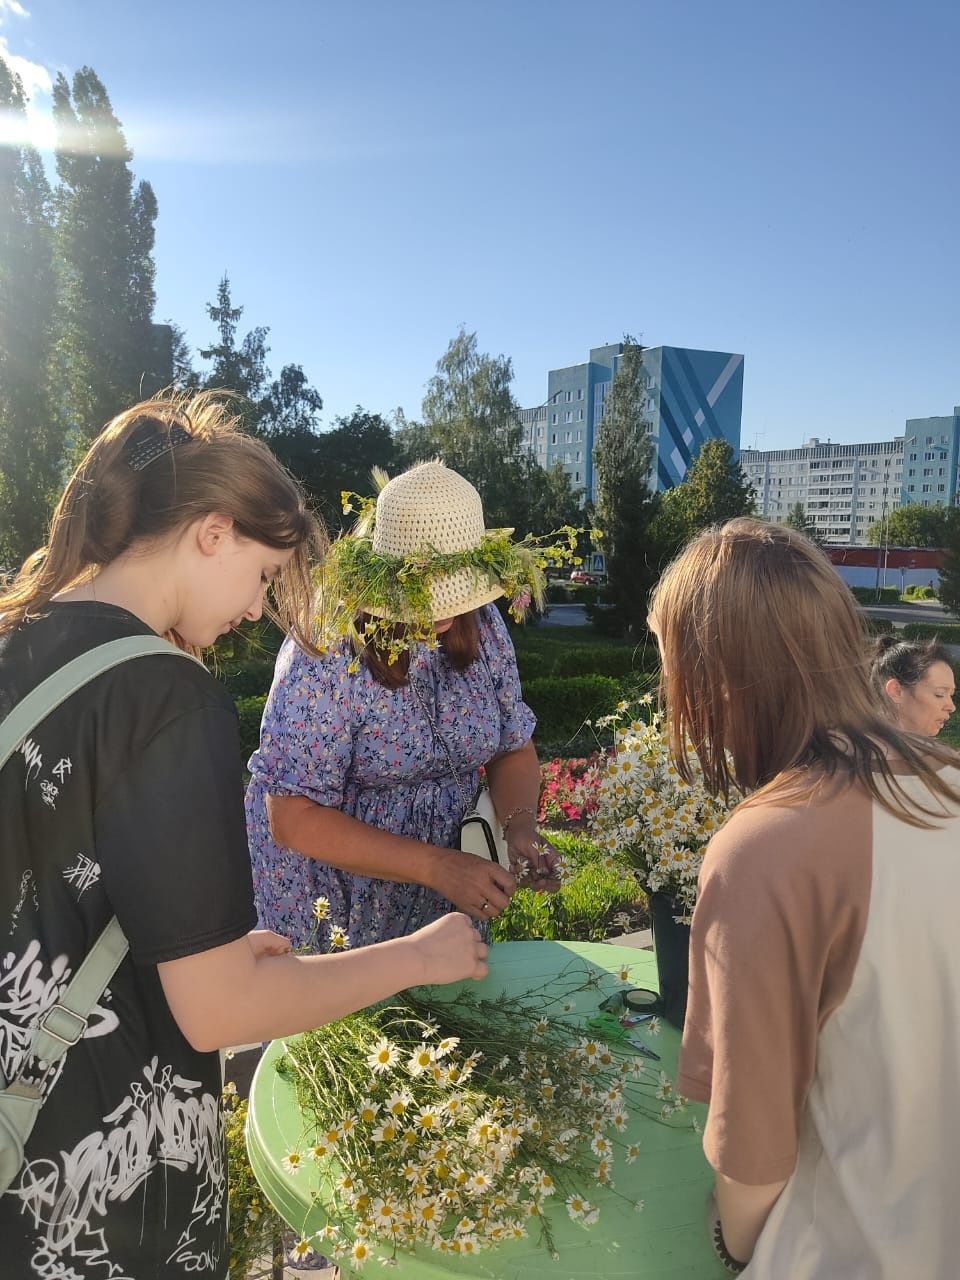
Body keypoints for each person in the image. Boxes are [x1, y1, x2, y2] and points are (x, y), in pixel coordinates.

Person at [0, 395, 486, 1279]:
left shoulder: (18, 636)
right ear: (212, 534)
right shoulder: (168, 694)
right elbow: (219, 1011)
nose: (257, 609)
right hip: (105, 1188)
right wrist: (419, 956)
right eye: (264, 576)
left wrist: (188, 941)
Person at [648, 518, 960, 1277]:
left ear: (714, 677)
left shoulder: (767, 849)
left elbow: (753, 1166)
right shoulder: (947, 781)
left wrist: (734, 1243)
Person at [246, 459, 561, 952]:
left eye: (452, 596)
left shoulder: (483, 625)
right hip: (337, 898)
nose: (441, 613)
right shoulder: (329, 644)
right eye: (421, 594)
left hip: (445, 890)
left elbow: (512, 749)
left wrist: (519, 824)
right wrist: (435, 865)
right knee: (352, 1026)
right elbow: (290, 814)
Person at [871, 633, 956, 736]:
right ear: (896, 691)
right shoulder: (859, 749)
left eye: (951, 695)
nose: (951, 707)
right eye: (940, 694)